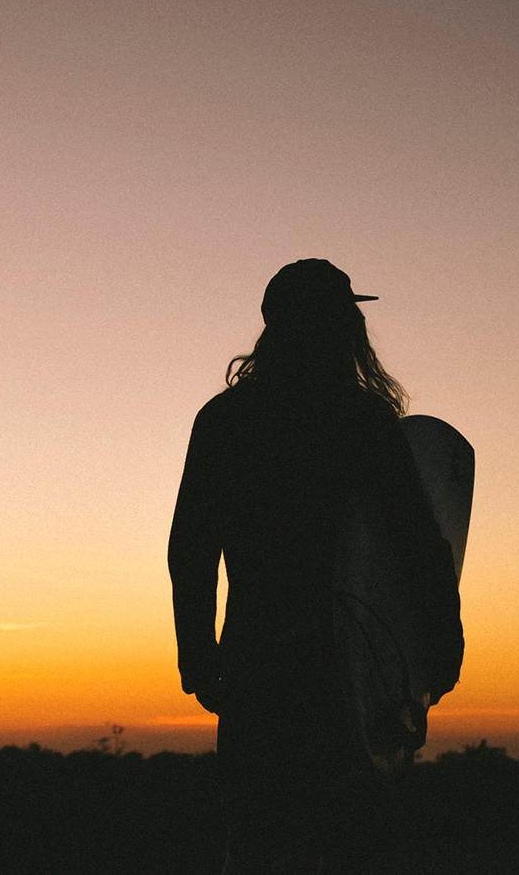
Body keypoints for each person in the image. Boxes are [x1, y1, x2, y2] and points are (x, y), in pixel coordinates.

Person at [169, 260, 463, 874]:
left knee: (259, 845)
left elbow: (190, 549)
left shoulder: (224, 421)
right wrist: (439, 647)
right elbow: (418, 546)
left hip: (256, 667)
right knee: (349, 847)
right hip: (347, 677)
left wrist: (198, 655)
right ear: (337, 327)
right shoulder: (363, 423)